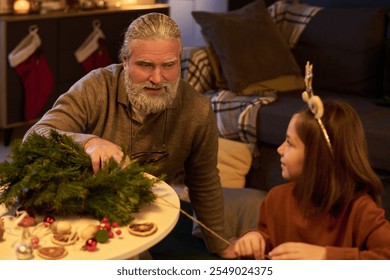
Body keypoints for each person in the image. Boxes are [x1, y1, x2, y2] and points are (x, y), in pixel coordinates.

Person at [24, 13, 234, 258]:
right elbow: (34, 138)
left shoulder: (197, 109)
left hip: (147, 212)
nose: (157, 79)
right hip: (81, 209)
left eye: (169, 65)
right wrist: (89, 143)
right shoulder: (95, 87)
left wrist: (220, 246)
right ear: (125, 61)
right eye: (145, 65)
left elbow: (204, 181)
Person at [234, 97, 390, 259]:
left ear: (318, 157)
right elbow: (267, 240)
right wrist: (255, 239)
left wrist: (325, 257)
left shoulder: (360, 209)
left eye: (289, 143)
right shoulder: (276, 198)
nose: (280, 149)